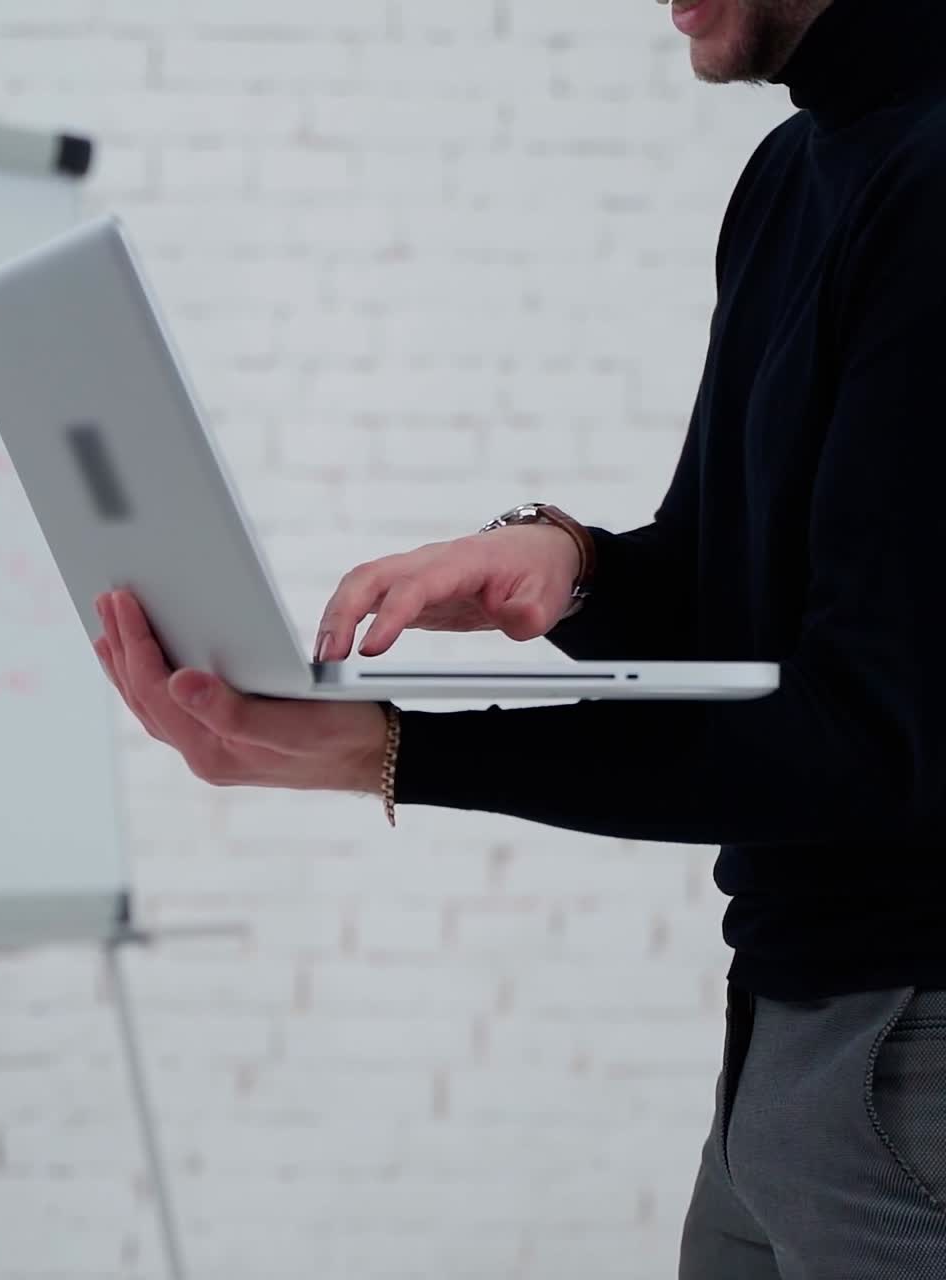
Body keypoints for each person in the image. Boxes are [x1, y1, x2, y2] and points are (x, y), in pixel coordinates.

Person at [93, 0, 946, 1273]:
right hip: (780, 1045)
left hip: (903, 1055)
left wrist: (389, 754)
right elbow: (733, 611)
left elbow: (864, 739)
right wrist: (567, 563)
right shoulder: (791, 170)